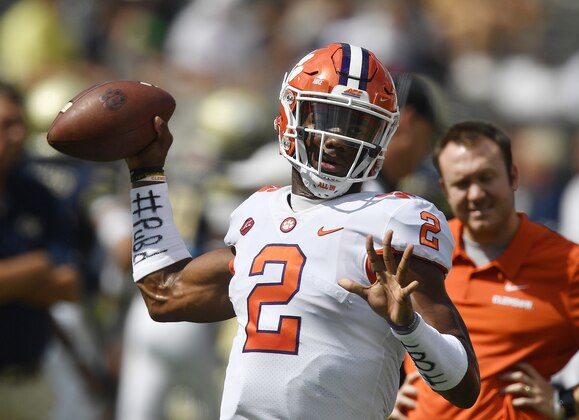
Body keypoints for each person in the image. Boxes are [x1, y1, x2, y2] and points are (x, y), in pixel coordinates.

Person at [119, 43, 480, 418]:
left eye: (358, 124)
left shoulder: (391, 222)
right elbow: (163, 295)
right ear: (291, 114)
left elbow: (464, 385)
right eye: (326, 117)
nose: (339, 137)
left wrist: (409, 326)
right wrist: (146, 174)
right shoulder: (258, 215)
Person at [389, 120, 579, 419]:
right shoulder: (424, 254)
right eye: (462, 183)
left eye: (486, 177)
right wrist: (386, 395)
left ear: (513, 176)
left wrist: (566, 403)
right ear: (445, 190)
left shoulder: (567, 264)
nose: (476, 193)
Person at [0, 80, 83, 419]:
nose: (18, 135)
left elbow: (68, 284)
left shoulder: (38, 194)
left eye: (20, 124)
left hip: (27, 382)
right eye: (5, 126)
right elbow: (49, 270)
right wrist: (36, 267)